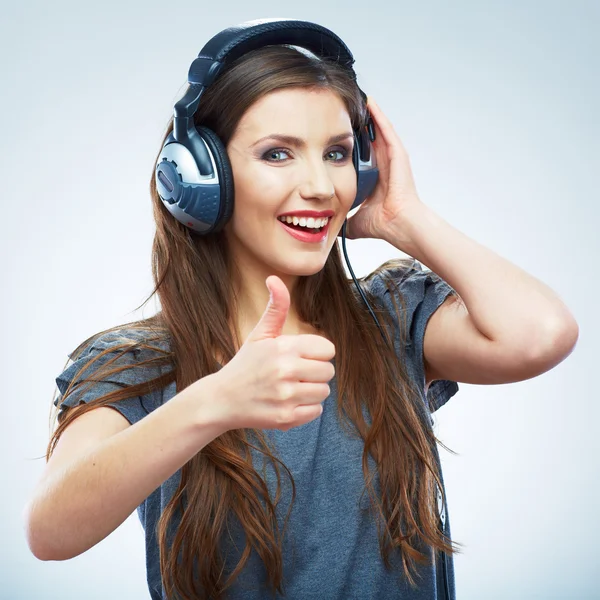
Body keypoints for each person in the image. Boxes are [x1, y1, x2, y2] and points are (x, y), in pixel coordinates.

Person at [23, 19, 578, 600]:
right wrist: (214, 401)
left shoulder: (390, 319)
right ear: (199, 177)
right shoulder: (137, 362)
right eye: (278, 153)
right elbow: (51, 530)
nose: (320, 185)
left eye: (338, 154)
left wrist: (405, 219)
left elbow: (541, 334)